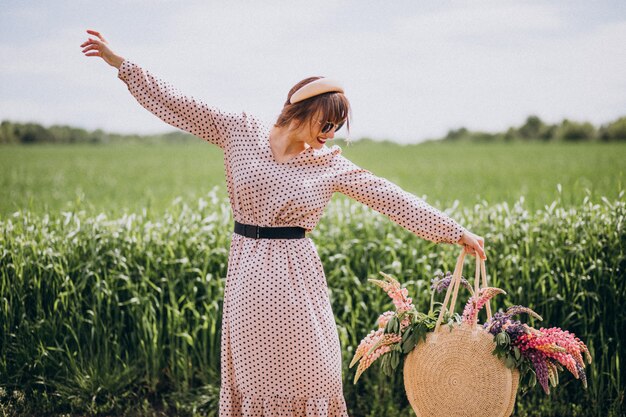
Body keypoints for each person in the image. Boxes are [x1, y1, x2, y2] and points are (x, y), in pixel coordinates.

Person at [80, 29, 487, 417]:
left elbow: (389, 196)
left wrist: (455, 232)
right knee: (257, 380)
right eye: (326, 123)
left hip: (299, 281)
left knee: (318, 372)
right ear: (302, 110)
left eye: (336, 126)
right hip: (247, 279)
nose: (330, 133)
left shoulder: (329, 163)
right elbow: (178, 104)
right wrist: (120, 63)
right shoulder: (240, 130)